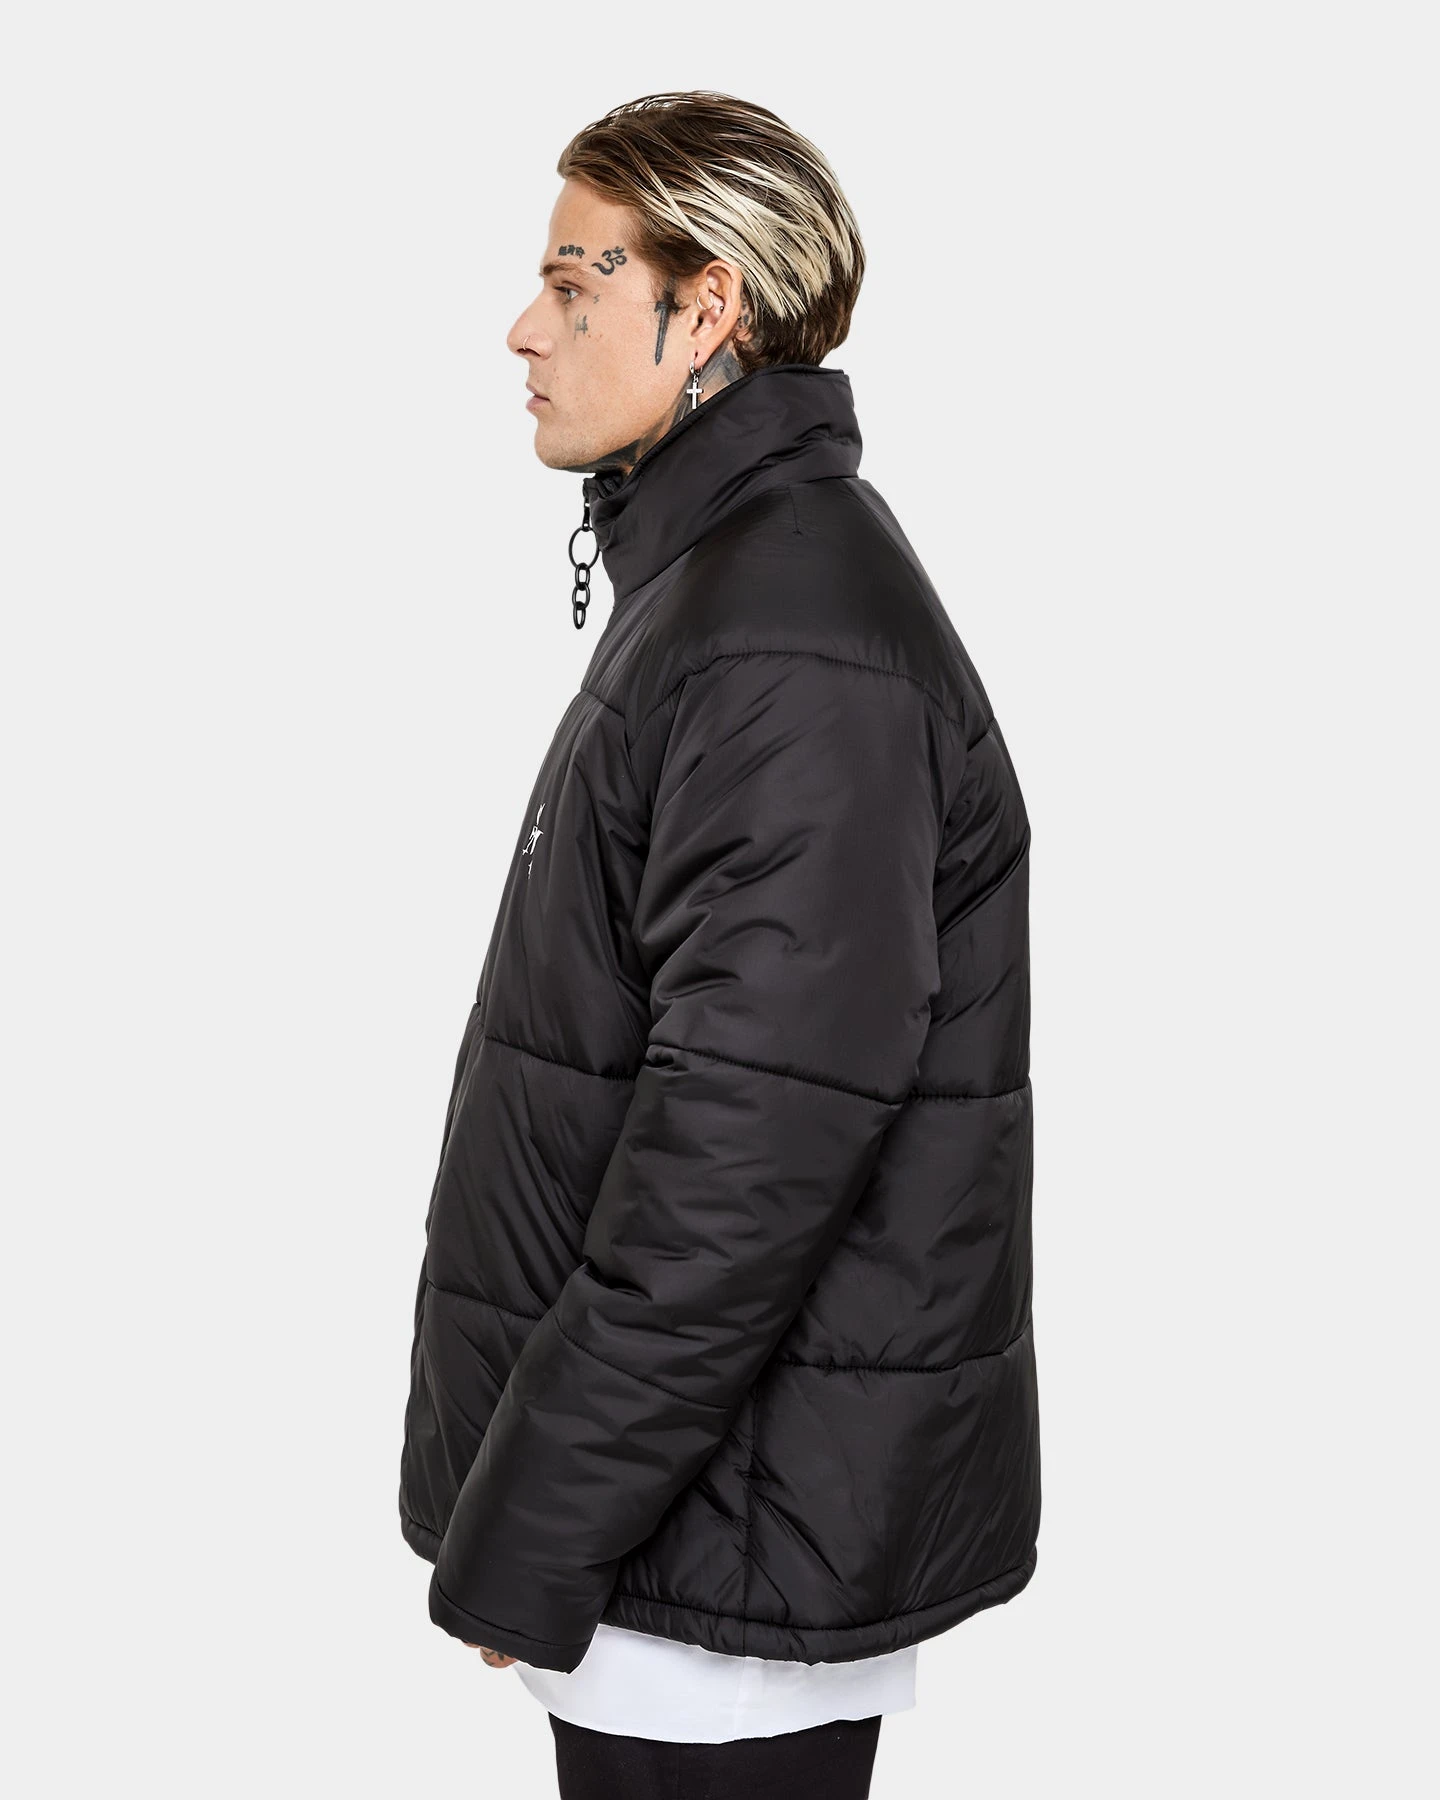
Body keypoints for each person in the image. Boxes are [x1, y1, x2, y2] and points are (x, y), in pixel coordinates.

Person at [398, 90, 1040, 1799]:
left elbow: (738, 1171)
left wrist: (535, 1525)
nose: (523, 328)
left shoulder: (787, 642)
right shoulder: (733, 590)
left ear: (711, 313)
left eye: (575, 283)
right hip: (688, 1552)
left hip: (718, 1580)